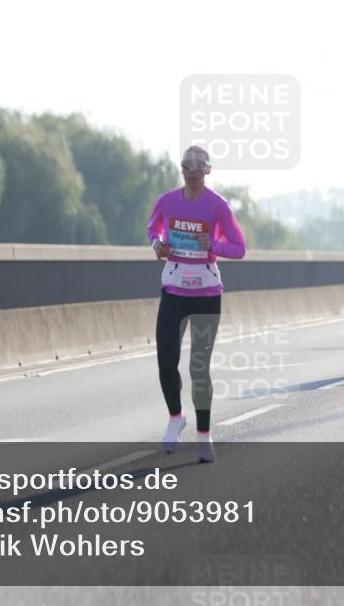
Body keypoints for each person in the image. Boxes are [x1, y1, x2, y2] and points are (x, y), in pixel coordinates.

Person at [146, 145, 246, 463]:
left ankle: (204, 436)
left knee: (198, 368)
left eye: (198, 165)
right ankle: (176, 417)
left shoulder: (218, 206)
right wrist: (157, 245)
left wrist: (212, 245)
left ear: (208, 170)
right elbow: (152, 229)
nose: (192, 170)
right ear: (182, 170)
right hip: (173, 291)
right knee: (166, 362)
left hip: (206, 294)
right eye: (186, 165)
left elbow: (239, 248)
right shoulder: (167, 201)